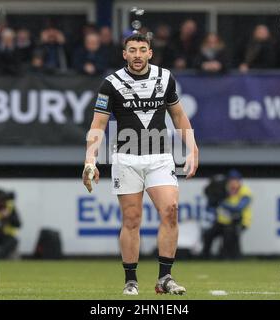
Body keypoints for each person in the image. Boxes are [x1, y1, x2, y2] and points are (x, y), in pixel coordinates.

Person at [82, 33, 199, 295]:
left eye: (142, 49)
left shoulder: (165, 77)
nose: (137, 55)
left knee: (170, 210)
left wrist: (193, 149)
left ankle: (165, 278)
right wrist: (90, 158)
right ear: (124, 54)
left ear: (150, 53)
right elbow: (98, 124)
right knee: (132, 219)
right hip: (126, 158)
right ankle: (131, 280)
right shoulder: (111, 84)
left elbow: (178, 116)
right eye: (132, 50)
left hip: (160, 156)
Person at [202, 170, 252, 260]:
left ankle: (227, 257)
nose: (233, 183)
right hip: (223, 222)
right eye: (231, 180)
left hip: (240, 221)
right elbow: (211, 206)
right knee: (208, 234)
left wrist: (221, 203)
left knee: (228, 234)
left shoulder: (245, 191)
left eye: (235, 180)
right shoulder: (223, 190)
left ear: (239, 181)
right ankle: (205, 257)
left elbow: (239, 208)